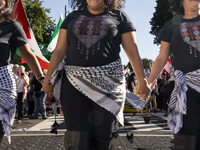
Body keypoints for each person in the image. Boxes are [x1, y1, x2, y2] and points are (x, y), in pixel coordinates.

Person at [43, 0, 150, 149]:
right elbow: (59, 51)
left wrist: (142, 81)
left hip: (109, 85)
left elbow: (132, 50)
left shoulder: (120, 17)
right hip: (73, 85)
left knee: (103, 135)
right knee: (76, 137)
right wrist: (47, 79)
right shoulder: (72, 17)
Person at [147, 0, 200, 149]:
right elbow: (162, 58)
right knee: (185, 140)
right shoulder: (170, 26)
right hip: (185, 90)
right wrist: (148, 82)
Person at [0, 0, 45, 144]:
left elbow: (28, 55)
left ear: (7, 3)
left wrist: (42, 79)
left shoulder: (12, 27)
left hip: (3, 86)